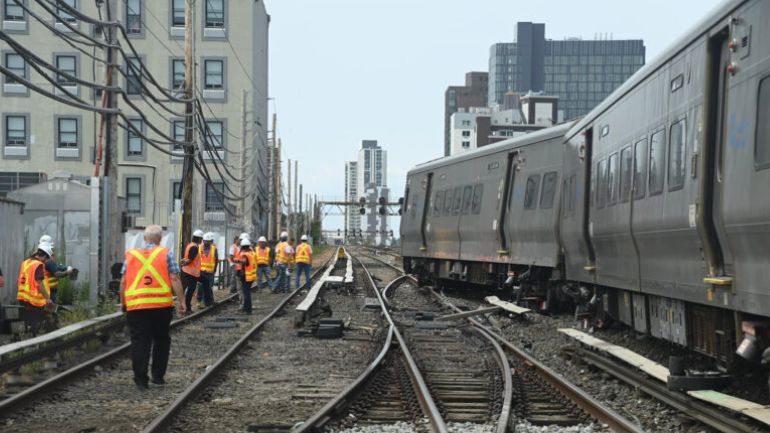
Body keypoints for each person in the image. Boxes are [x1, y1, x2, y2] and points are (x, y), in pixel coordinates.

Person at [120, 225, 185, 389]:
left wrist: (124, 303)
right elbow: (175, 278)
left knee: (140, 341)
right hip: (160, 307)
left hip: (137, 307)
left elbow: (123, 281)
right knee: (161, 339)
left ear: (144, 239)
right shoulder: (165, 253)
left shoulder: (132, 256)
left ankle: (141, 380)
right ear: (160, 238)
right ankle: (158, 376)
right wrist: (182, 302)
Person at [17, 244, 56, 335]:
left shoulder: (26, 262)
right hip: (33, 300)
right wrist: (47, 298)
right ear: (44, 256)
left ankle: (25, 340)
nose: (46, 262)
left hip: (23, 298)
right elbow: (39, 284)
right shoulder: (38, 265)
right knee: (38, 323)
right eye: (46, 259)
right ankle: (40, 342)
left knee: (28, 322)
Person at [180, 229, 204, 313]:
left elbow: (187, 258)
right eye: (201, 239)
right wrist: (184, 262)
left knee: (190, 289)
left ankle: (187, 307)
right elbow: (190, 260)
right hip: (191, 273)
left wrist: (183, 261)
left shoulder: (190, 245)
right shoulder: (194, 247)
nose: (202, 241)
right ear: (199, 239)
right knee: (190, 290)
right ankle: (187, 308)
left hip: (189, 271)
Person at [198, 232, 218, 307]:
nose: (207, 242)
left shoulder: (214, 249)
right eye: (206, 240)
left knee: (209, 287)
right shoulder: (199, 248)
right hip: (201, 271)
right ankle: (201, 302)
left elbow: (216, 260)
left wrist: (214, 269)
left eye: (209, 241)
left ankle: (208, 301)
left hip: (210, 272)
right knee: (201, 287)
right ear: (203, 241)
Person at [238, 238, 256, 314]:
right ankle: (246, 308)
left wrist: (236, 260)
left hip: (246, 276)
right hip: (252, 276)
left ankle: (248, 310)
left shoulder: (245, 255)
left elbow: (244, 262)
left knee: (246, 293)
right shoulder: (252, 253)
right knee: (247, 292)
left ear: (242, 247)